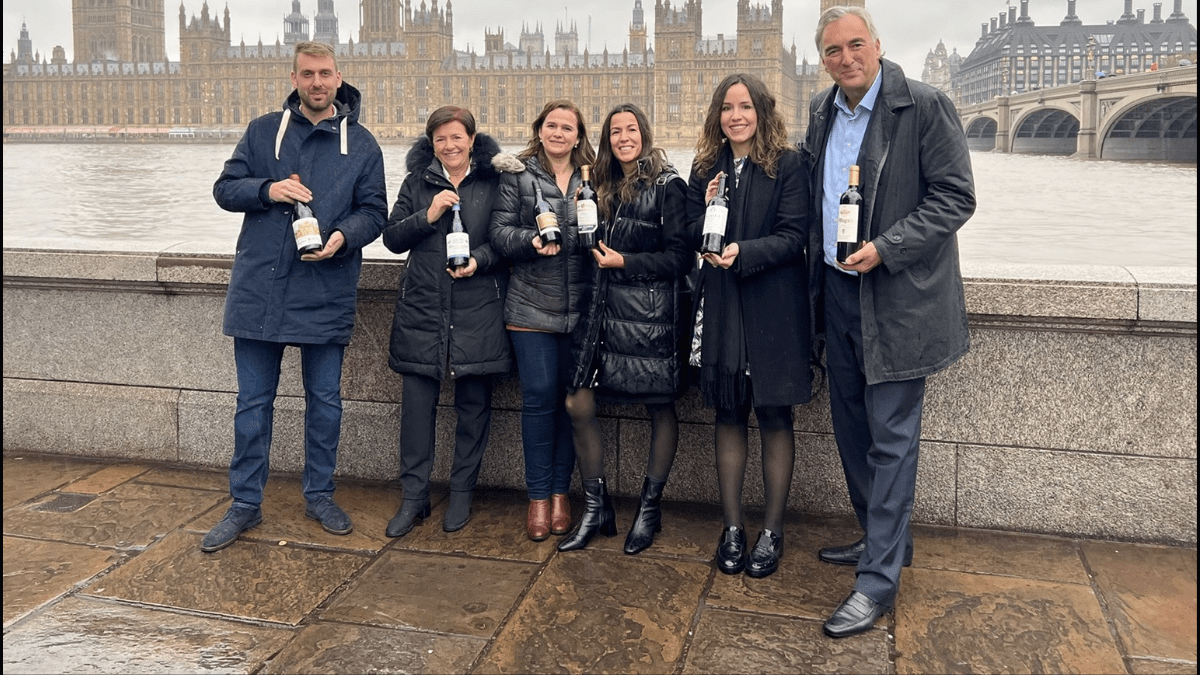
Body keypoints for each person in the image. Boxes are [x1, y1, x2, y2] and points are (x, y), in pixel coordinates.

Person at [802, 6, 976, 638]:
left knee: (892, 437)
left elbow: (956, 196)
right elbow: (804, 188)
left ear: (877, 44)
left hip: (895, 296)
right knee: (851, 428)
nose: (845, 58)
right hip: (836, 292)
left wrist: (888, 246)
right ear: (822, 59)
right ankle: (883, 541)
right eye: (832, 51)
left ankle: (877, 582)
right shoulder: (822, 111)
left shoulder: (924, 105)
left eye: (855, 45)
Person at [205, 41, 388, 552]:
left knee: (326, 403)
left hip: (324, 288)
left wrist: (343, 237)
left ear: (338, 77)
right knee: (252, 405)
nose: (317, 83)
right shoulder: (264, 130)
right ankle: (244, 504)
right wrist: (268, 190)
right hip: (260, 291)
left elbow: (376, 212)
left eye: (325, 74)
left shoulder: (363, 144)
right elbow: (225, 188)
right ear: (294, 78)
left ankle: (320, 494)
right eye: (307, 74)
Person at [685, 74, 812, 579]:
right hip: (721, 307)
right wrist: (706, 209)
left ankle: (773, 529)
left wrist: (745, 252)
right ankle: (733, 528)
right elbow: (691, 232)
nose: (735, 116)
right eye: (726, 107)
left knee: (775, 416)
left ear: (762, 111)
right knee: (730, 415)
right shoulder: (705, 168)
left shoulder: (789, 164)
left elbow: (794, 235)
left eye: (745, 107)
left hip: (772, 306)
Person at [557, 103, 693, 554]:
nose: (623, 137)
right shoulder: (597, 185)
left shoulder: (668, 185)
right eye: (615, 131)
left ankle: (649, 509)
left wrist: (626, 262)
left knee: (659, 407)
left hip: (648, 319)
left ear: (645, 132)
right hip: (601, 313)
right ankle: (597, 507)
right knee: (578, 402)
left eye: (631, 128)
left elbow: (680, 258)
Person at [381, 106, 522, 537]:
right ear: (432, 145)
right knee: (416, 411)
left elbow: (506, 243)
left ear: (473, 140)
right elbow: (391, 237)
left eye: (457, 137)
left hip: (478, 309)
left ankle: (461, 493)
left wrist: (478, 261)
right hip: (424, 309)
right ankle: (413, 498)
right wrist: (428, 215)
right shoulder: (417, 183)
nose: (450, 145)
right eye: (441, 139)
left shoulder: (496, 183)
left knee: (473, 409)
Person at [489, 100, 597, 542]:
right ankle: (537, 496)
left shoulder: (595, 177)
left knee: (572, 403)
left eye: (567, 127)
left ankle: (560, 493)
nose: (558, 133)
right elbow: (498, 234)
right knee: (538, 400)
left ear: (578, 135)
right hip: (531, 307)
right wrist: (531, 241)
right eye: (551, 125)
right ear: (540, 129)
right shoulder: (518, 173)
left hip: (580, 310)